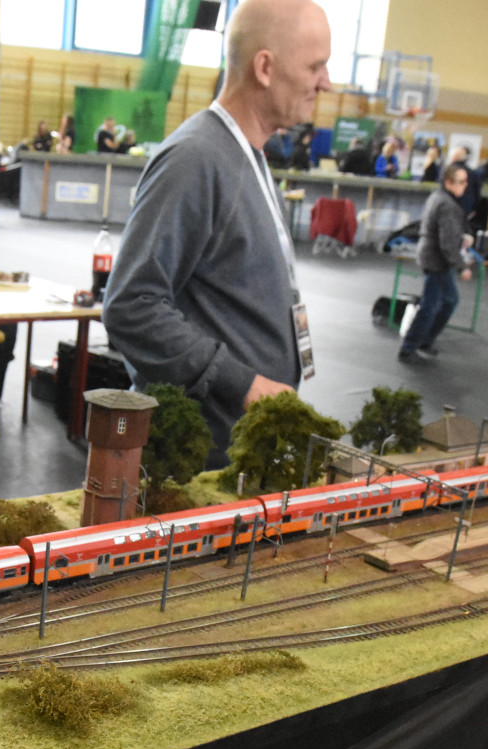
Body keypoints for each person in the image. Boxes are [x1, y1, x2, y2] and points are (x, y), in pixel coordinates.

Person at [103, 0, 332, 465]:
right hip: (197, 459)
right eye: (315, 66)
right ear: (264, 68)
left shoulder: (248, 155)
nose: (325, 82)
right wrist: (241, 383)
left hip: (237, 448)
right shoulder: (194, 160)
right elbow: (131, 306)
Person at [399, 162, 474, 361]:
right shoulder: (447, 205)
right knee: (431, 306)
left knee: (448, 301)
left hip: (432, 256)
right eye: (461, 182)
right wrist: (462, 267)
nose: (465, 186)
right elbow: (447, 243)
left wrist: (461, 238)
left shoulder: (438, 197)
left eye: (465, 182)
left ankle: (422, 342)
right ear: (449, 182)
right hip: (436, 260)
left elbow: (445, 233)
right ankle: (410, 347)